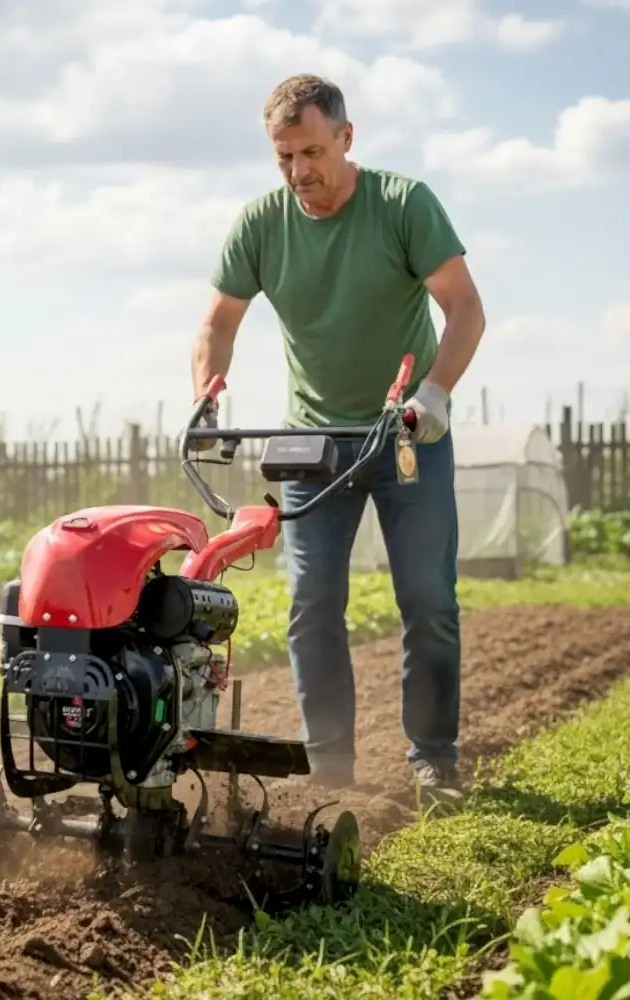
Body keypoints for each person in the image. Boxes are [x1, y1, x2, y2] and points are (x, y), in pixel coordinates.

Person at [189, 74, 486, 806]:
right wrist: (208, 396)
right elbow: (219, 322)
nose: (299, 172)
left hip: (405, 433)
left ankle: (433, 761)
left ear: (347, 139)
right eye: (284, 157)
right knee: (312, 604)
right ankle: (331, 771)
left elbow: (466, 310)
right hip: (314, 445)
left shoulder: (401, 205)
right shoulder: (261, 224)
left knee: (427, 600)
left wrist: (434, 394)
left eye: (313, 152)